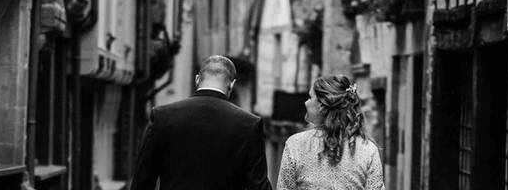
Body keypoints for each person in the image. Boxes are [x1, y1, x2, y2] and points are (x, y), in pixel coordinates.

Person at [130, 55, 272, 190]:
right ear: (232, 84)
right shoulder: (249, 124)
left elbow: (142, 180)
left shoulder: (163, 116)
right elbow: (258, 186)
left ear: (197, 79)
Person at [276, 75, 385, 190]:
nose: (305, 103)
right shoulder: (368, 150)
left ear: (322, 106)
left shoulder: (295, 145)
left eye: (310, 97)